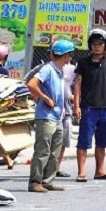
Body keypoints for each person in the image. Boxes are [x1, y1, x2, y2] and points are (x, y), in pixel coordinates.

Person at [25, 40, 74, 193]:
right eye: (69, 54)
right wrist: (45, 98)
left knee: (55, 151)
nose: (70, 58)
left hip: (58, 115)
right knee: (43, 150)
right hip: (46, 116)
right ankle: (35, 182)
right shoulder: (48, 69)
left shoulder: (59, 70)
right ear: (65, 55)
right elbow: (31, 84)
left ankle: (47, 180)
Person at [74, 28, 106, 182]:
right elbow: (77, 84)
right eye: (93, 44)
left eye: (100, 44)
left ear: (105, 46)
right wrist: (76, 105)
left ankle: (100, 171)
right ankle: (81, 172)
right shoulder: (83, 63)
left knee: (102, 142)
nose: (96, 46)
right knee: (84, 141)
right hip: (88, 108)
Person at [56, 56, 77, 178]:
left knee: (63, 140)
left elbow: (79, 84)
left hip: (67, 111)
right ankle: (46, 168)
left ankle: (57, 167)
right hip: (51, 111)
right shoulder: (48, 68)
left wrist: (75, 98)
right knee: (49, 141)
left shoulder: (72, 69)